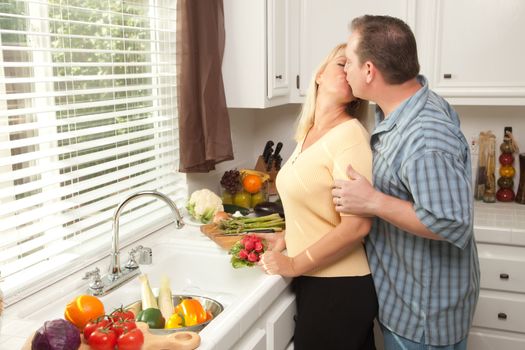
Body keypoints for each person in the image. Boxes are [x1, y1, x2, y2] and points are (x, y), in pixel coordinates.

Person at [331, 15, 480, 350]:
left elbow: (451, 222)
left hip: (423, 317)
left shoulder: (425, 136)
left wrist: (372, 202)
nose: (345, 71)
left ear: (369, 71)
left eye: (349, 63)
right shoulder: (405, 107)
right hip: (405, 301)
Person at [258, 43, 377, 350]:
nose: (349, 71)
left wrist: (294, 264)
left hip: (339, 288)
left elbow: (357, 226)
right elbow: (319, 210)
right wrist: (287, 236)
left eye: (355, 66)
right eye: (342, 63)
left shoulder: (350, 136)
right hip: (319, 283)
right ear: (320, 74)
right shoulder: (309, 133)